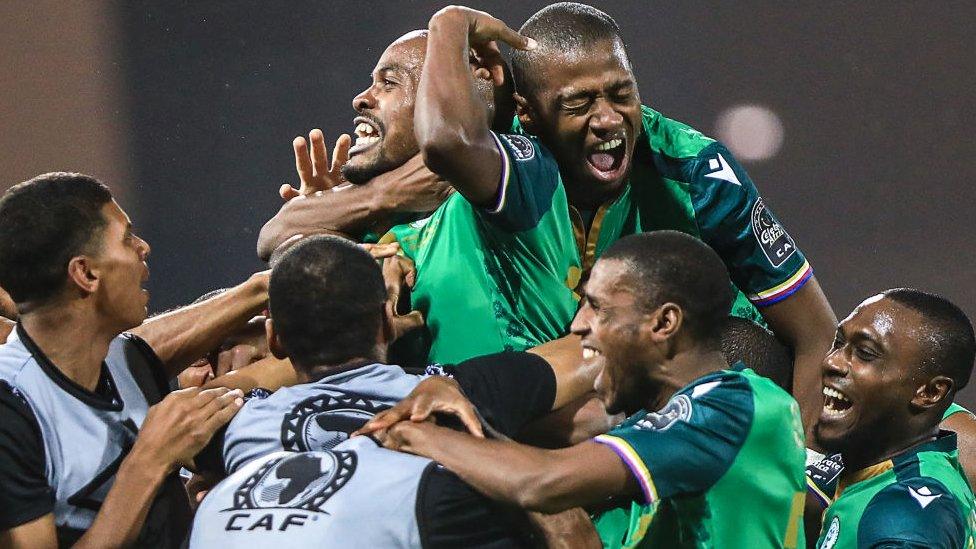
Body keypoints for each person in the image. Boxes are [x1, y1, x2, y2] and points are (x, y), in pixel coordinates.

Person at [496, 2, 837, 430]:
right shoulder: (500, 165)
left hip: (717, 380)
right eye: (580, 103)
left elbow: (817, 334)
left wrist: (802, 472)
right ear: (527, 112)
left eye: (623, 94)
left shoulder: (700, 174)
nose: (608, 119)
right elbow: (442, 144)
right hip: (570, 384)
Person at [371, 231, 808, 548]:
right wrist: (467, 415)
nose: (579, 325)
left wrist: (411, 433)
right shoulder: (670, 448)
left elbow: (541, 482)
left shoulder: (735, 404)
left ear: (663, 323)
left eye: (597, 307)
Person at [189, 235, 598, 547]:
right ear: (386, 323)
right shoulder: (451, 394)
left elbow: (162, 387)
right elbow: (595, 349)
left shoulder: (232, 420)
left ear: (274, 340)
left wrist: (298, 327)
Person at [261, 26, 581, 365]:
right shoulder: (386, 216)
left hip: (522, 410)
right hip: (414, 411)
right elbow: (273, 239)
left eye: (390, 82)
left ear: (442, 103)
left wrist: (451, 22)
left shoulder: (519, 165)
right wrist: (378, 197)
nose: (362, 99)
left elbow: (447, 145)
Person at [0, 173, 267, 547]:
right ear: (86, 273)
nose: (143, 247)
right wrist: (150, 462)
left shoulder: (125, 359)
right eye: (126, 238)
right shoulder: (11, 405)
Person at [807, 289, 976, 548]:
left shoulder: (905, 517)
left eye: (864, 353)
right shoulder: (886, 475)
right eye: (839, 344)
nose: (832, 362)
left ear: (929, 392)